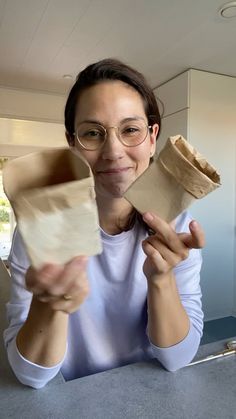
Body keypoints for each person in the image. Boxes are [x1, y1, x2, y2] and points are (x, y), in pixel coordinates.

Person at [4, 58, 205, 389]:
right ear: (72, 142)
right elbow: (31, 377)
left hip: (152, 396)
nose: (113, 151)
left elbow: (177, 359)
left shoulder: (175, 227)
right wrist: (48, 304)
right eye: (93, 133)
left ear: (152, 136)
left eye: (130, 129)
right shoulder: (44, 228)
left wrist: (161, 280)